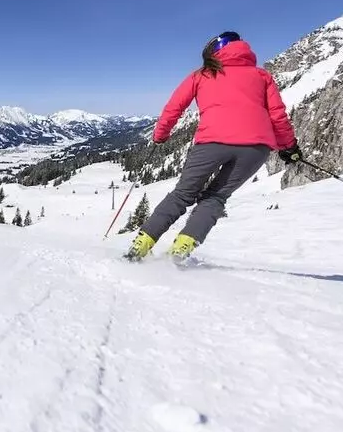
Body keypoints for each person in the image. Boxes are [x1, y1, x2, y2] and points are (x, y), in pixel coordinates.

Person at [125, 32, 302, 261]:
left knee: (182, 195)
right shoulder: (262, 76)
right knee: (216, 197)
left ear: (213, 52)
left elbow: (174, 107)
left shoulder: (202, 75)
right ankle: (180, 251)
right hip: (256, 149)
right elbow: (277, 116)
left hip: (212, 142)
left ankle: (140, 246)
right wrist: (289, 147)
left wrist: (160, 135)